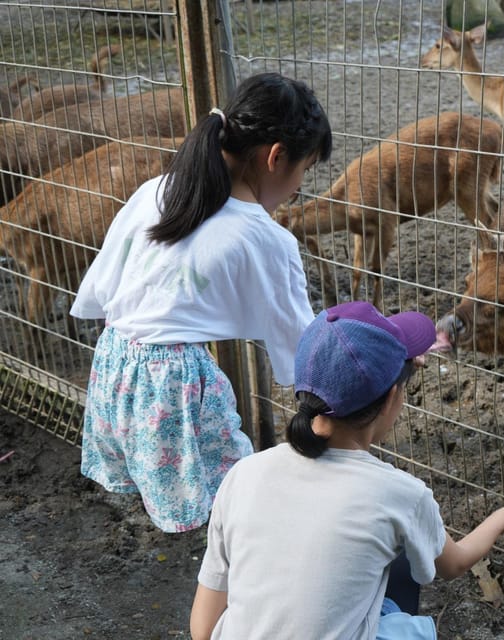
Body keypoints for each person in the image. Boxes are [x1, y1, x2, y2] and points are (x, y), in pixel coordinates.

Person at [69, 72, 333, 533]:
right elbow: (302, 350)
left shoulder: (155, 192)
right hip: (174, 389)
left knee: (214, 504)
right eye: (304, 169)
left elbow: (103, 289)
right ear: (276, 157)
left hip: (114, 366)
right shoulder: (265, 238)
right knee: (241, 502)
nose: (298, 185)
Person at [190, 301, 504, 640]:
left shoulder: (244, 474)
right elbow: (454, 565)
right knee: (405, 564)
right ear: (394, 397)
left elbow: (203, 630)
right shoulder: (400, 494)